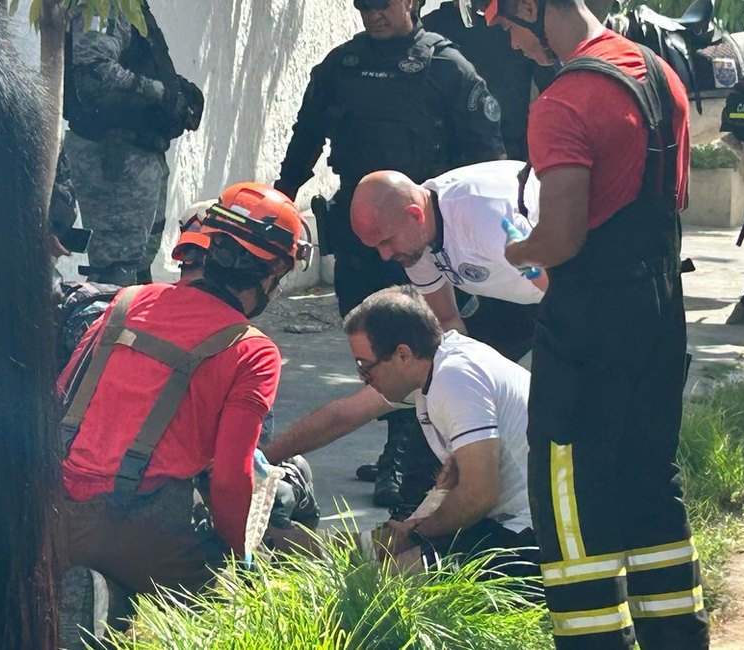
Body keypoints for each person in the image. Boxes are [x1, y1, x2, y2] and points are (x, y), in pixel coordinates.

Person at [485, 0, 707, 647]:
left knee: (569, 499)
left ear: (532, 6)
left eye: (506, 24)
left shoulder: (564, 99)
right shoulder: (660, 76)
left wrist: (520, 249)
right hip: (662, 315)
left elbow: (560, 237)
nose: (508, 41)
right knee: (647, 484)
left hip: (588, 331)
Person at [275, 0, 506, 507]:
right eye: (364, 5)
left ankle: (415, 454)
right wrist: (280, 198)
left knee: (418, 345)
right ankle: (396, 447)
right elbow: (306, 137)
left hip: (423, 241)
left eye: (384, 4)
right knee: (374, 348)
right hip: (362, 241)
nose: (373, 14)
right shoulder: (342, 66)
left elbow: (487, 155)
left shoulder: (447, 67)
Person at [57, 182, 312, 598]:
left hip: (56, 517)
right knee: (233, 610)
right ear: (274, 272)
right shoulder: (252, 351)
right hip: (144, 532)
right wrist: (239, 558)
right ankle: (109, 605)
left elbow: (61, 398)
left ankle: (93, 598)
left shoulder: (127, 301)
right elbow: (231, 479)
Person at [262, 286, 539, 577]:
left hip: (531, 530)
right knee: (385, 552)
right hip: (507, 517)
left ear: (402, 354)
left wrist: (415, 532)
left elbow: (478, 494)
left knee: (384, 586)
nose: (362, 377)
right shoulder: (434, 364)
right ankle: (300, 545)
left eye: (365, 366)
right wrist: (263, 457)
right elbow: (341, 416)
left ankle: (299, 546)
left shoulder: (456, 378)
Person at [350, 160, 546, 362]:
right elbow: (447, 322)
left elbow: (564, 288)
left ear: (415, 215)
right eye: (377, 246)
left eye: (387, 241)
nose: (386, 255)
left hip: (563, 280)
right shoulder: (416, 243)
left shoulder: (485, 218)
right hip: (516, 294)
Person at [63, 4, 204, 286]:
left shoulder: (130, 7)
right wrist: (162, 93)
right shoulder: (103, 5)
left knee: (136, 266)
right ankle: (115, 329)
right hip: (114, 158)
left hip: (138, 154)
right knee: (117, 270)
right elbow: (95, 72)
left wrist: (176, 91)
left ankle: (134, 327)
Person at [422, 0, 556, 159]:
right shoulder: (431, 30)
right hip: (450, 155)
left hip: (510, 150)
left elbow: (554, 92)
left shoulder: (516, 18)